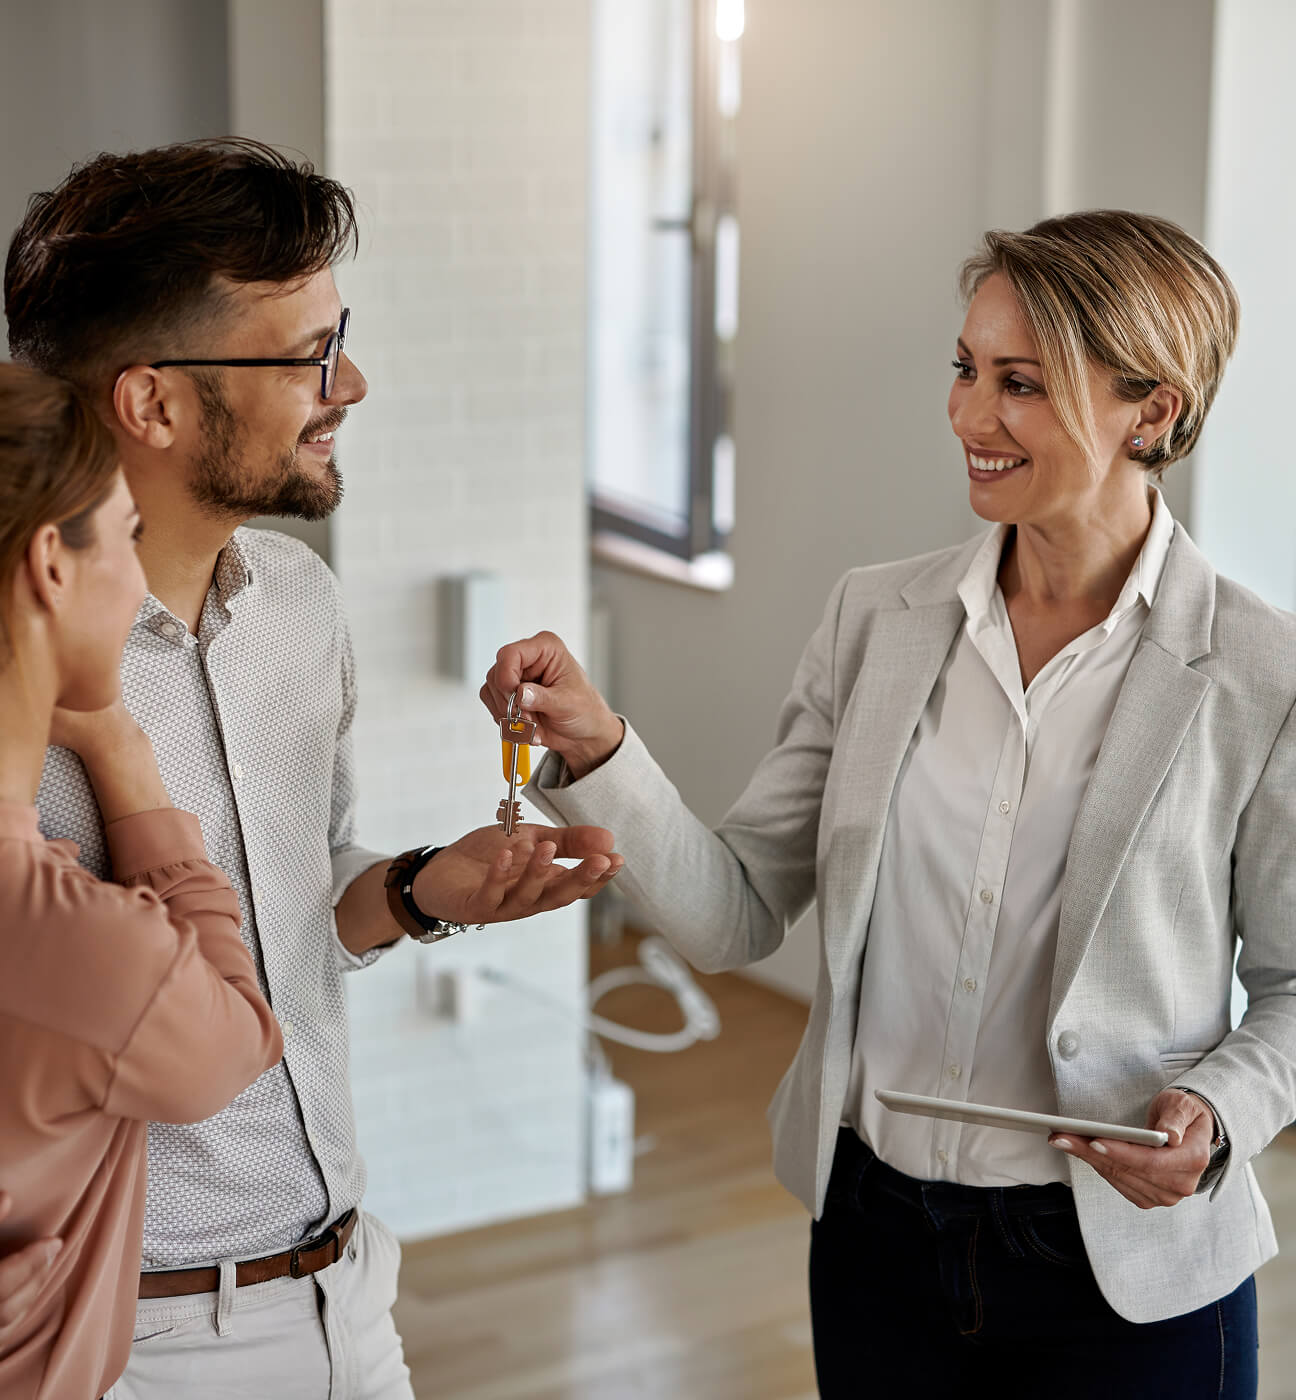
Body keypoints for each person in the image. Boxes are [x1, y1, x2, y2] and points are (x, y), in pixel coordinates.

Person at [484, 210, 1295, 1398]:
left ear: (1153, 410)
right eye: (965, 369)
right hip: (876, 1244)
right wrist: (600, 747)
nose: (970, 416)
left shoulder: (1258, 674)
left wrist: (1219, 1112)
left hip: (1124, 1275)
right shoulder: (876, 620)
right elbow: (738, 911)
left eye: (1020, 382)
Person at [0, 140, 620, 1399]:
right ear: (153, 403)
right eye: (311, 353)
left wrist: (422, 888)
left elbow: (287, 901)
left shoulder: (300, 607)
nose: (353, 381)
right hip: (114, 1344)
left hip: (346, 1293)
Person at [0, 359, 285, 1398]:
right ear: (51, 562)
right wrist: (124, 755)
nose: (140, 578)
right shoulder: (84, 947)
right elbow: (239, 1039)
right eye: (127, 534)